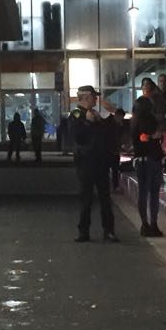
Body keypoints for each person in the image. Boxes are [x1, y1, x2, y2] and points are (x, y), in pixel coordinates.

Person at [70, 85, 121, 243]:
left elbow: (110, 131)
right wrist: (87, 122)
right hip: (86, 162)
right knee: (86, 199)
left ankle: (109, 230)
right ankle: (83, 231)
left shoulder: (97, 115)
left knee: (105, 198)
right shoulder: (76, 114)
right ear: (85, 97)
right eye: (94, 96)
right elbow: (76, 136)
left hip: (101, 162)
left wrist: (113, 114)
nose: (96, 99)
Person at [130, 92, 165, 237]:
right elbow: (146, 137)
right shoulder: (149, 120)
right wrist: (154, 136)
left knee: (143, 193)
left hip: (141, 160)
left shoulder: (134, 121)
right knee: (153, 193)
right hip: (152, 158)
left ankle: (145, 224)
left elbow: (138, 139)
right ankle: (153, 224)